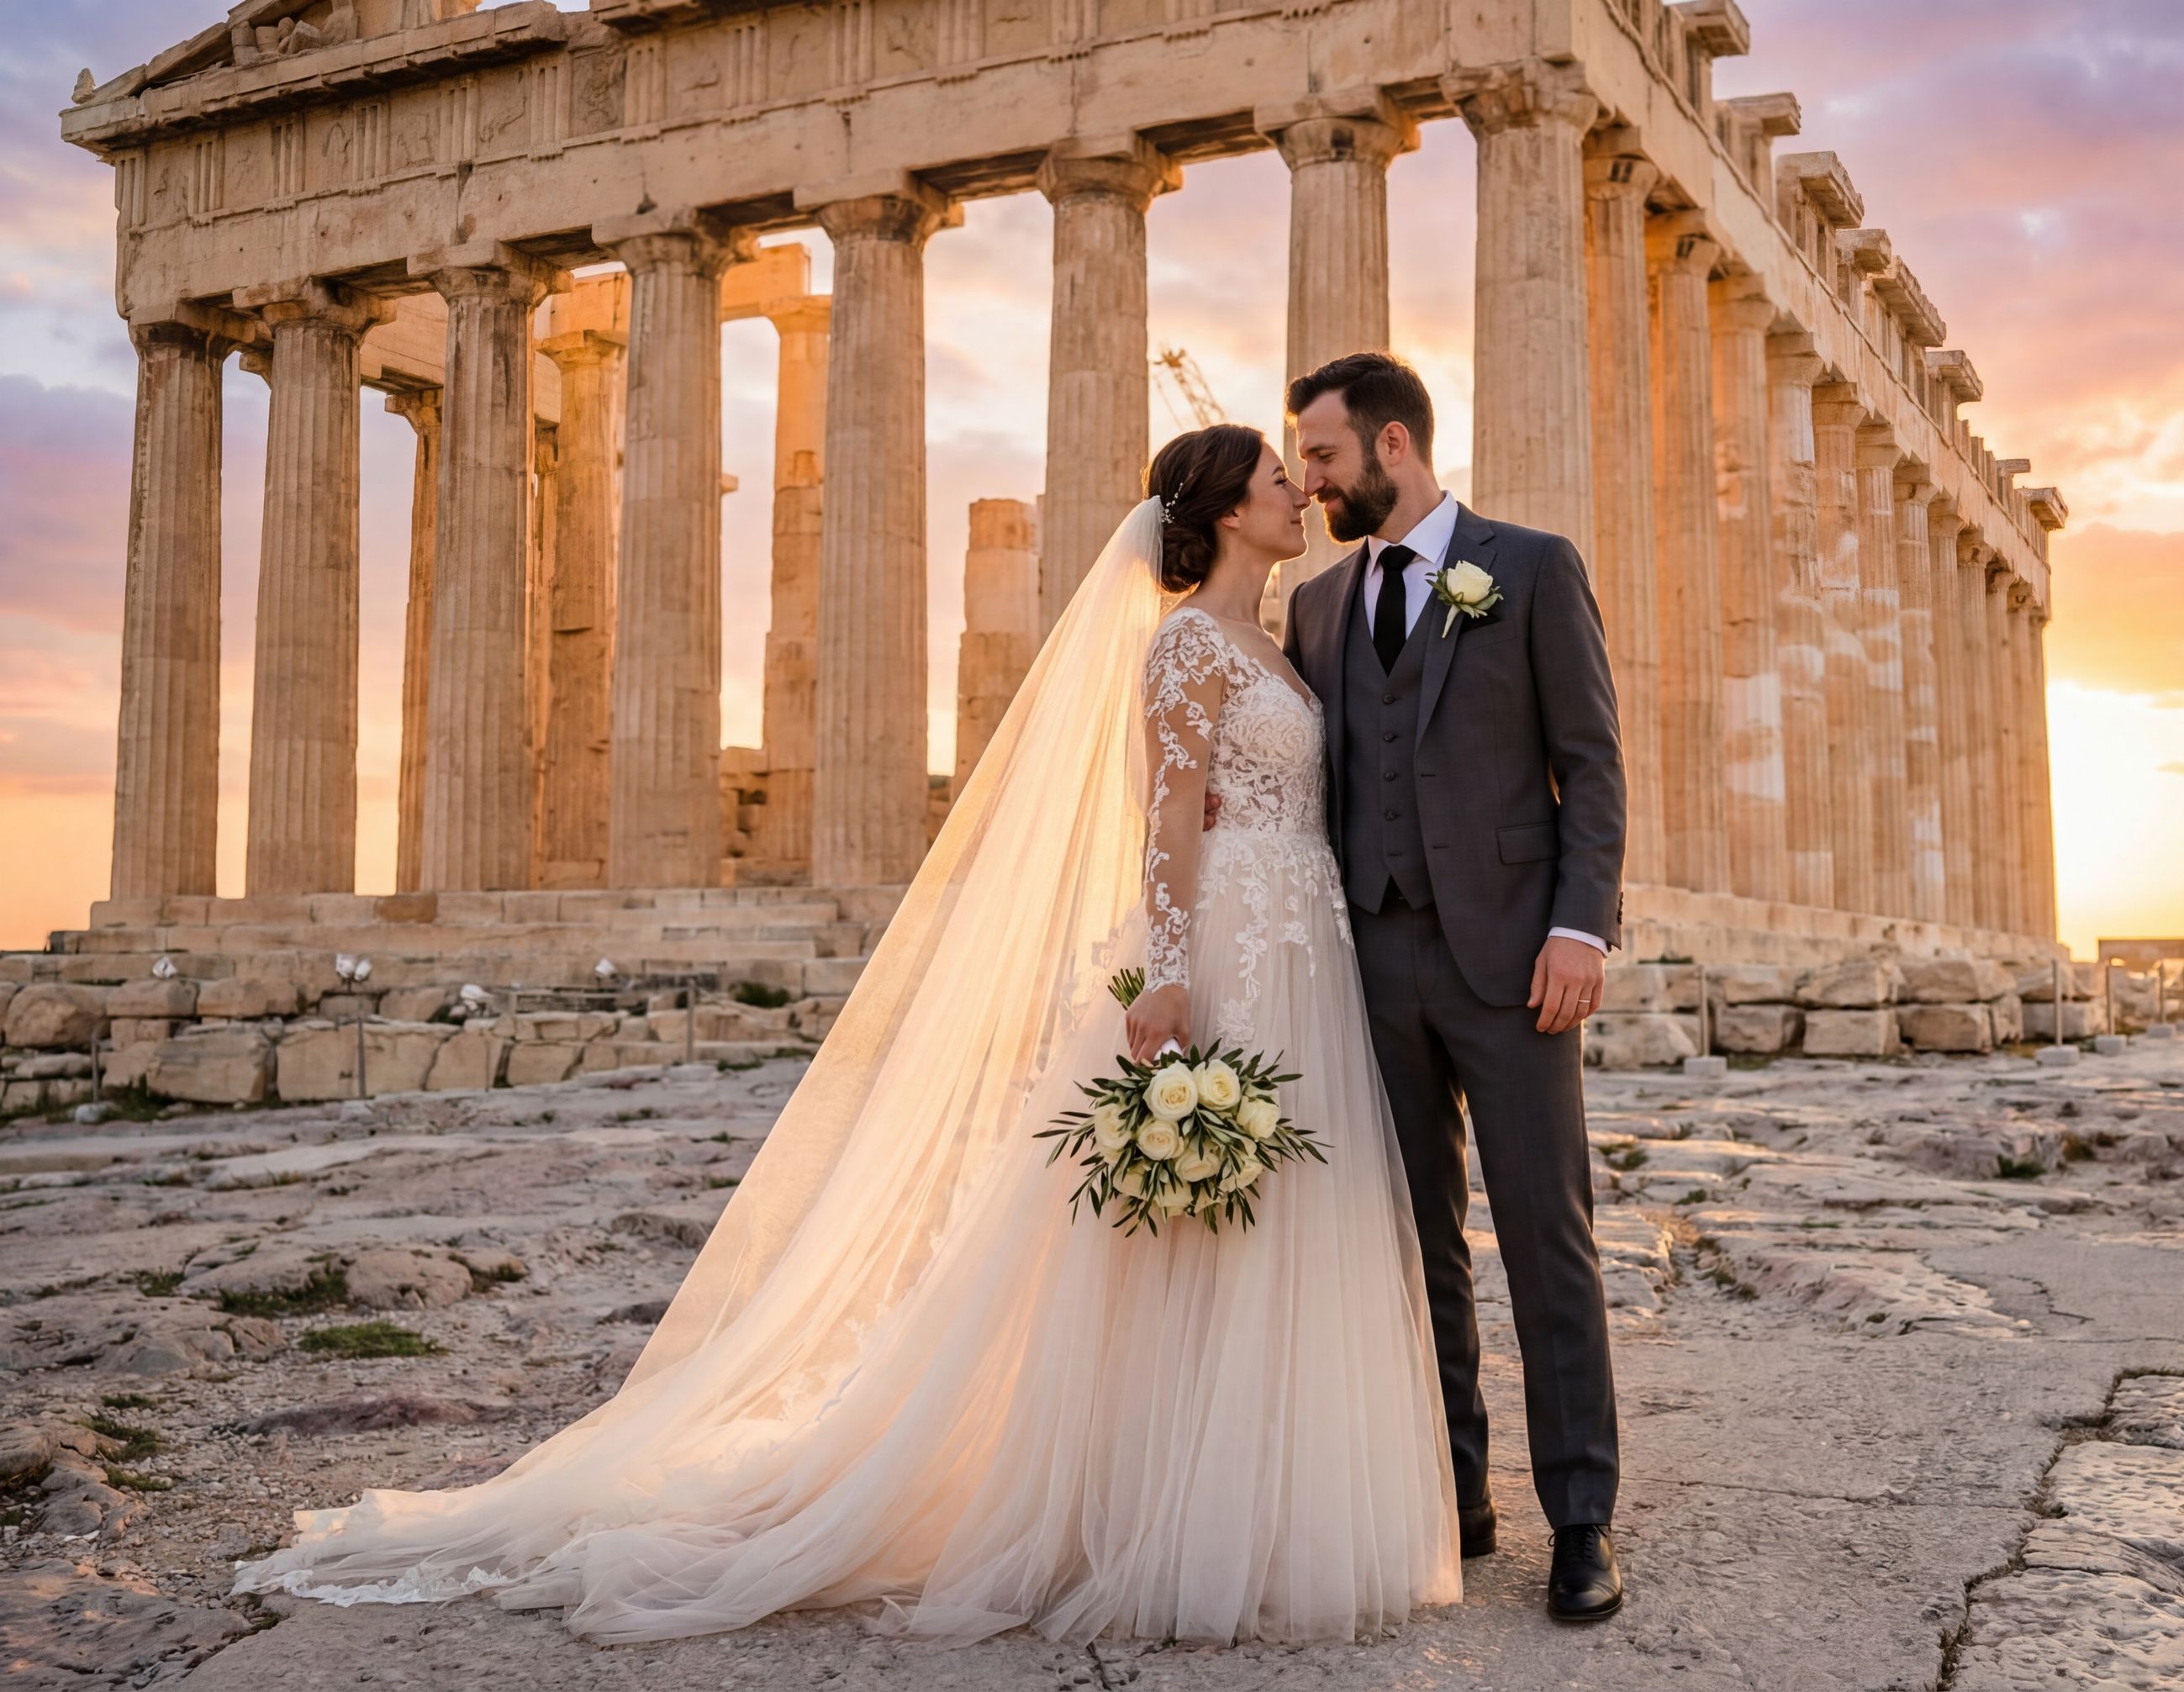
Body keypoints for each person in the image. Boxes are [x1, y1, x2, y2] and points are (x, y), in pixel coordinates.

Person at [230, 424, 1459, 1647]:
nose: (1300, 491)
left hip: (1307, 948)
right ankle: (1164, 1514)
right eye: (1276, 476)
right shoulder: (1185, 644)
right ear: (1225, 505)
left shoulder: (1284, 639)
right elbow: (1167, 821)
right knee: (1190, 1232)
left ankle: (1266, 1500)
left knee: (1289, 1217)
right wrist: (1171, 974)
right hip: (1230, 945)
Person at [1277, 351, 1628, 1622]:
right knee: (1415, 1246)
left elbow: (1590, 762)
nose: (1305, 479)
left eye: (1320, 455)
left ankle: (1581, 1518)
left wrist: (1582, 928)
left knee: (1549, 1240)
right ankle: (1458, 1493)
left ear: (1394, 447)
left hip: (1515, 959)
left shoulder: (1528, 566)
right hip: (1370, 964)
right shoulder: (1314, 607)